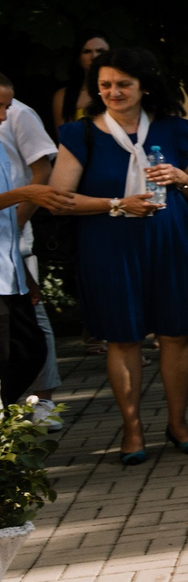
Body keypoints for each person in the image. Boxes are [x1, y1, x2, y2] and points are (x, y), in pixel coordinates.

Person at [49, 47, 188, 464]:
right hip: (110, 243)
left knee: (176, 334)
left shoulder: (171, 129)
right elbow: (59, 199)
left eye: (123, 83)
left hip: (170, 239)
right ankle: (132, 430)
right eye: (105, 84)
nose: (113, 91)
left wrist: (181, 177)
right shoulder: (81, 133)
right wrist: (116, 204)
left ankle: (178, 424)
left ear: (144, 86)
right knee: (122, 336)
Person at [0, 129, 74, 405]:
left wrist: (26, 275)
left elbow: (6, 227)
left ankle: (8, 411)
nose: (5, 116)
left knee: (30, 348)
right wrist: (23, 193)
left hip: (9, 272)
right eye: (0, 106)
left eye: (7, 106)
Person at [49, 35, 110, 130]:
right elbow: (66, 139)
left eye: (100, 51)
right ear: (78, 58)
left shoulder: (123, 91)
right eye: (86, 51)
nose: (94, 56)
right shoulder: (64, 95)